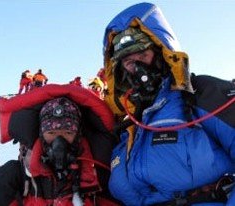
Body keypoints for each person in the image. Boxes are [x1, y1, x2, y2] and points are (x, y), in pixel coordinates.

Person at [101, 2, 235, 206]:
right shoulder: (127, 128)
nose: (137, 68)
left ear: (162, 54)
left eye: (143, 55)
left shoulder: (199, 95)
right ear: (119, 72)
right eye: (129, 62)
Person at [0, 84, 120, 206]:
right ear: (41, 134)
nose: (59, 141)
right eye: (51, 132)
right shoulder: (17, 176)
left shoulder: (100, 173)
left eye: (68, 132)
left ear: (78, 135)